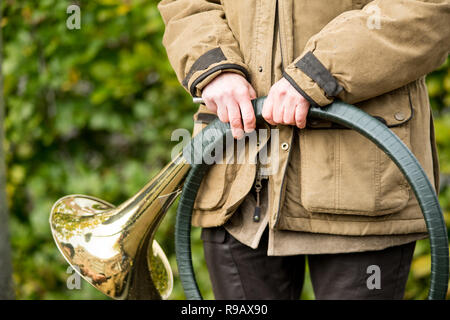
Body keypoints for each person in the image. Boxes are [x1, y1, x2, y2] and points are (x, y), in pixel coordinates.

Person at [158, 0, 450, 300]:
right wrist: (212, 65)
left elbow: (428, 8)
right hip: (238, 194)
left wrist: (319, 73)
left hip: (362, 193)